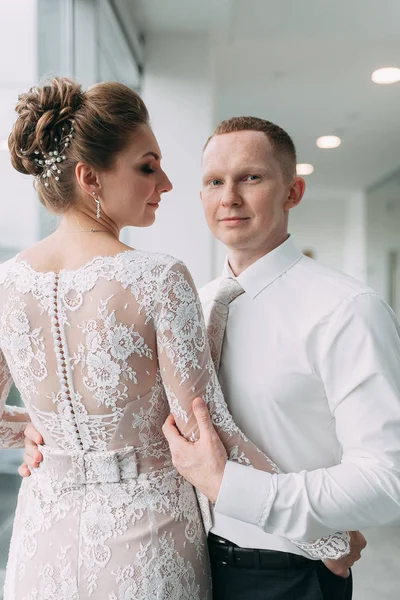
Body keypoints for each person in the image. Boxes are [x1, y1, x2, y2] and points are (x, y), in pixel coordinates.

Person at [0, 81, 352, 600]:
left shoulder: (7, 281)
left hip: (41, 542)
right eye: (147, 166)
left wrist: (49, 430)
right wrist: (327, 533)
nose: (166, 183)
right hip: (146, 543)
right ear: (89, 177)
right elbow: (207, 428)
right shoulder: (157, 277)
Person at [160, 117, 400, 600]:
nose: (228, 196)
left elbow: (386, 479)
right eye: (214, 182)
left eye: (250, 177)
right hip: (186, 564)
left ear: (293, 192)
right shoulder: (190, 306)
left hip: (286, 577)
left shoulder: (347, 310)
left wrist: (232, 488)